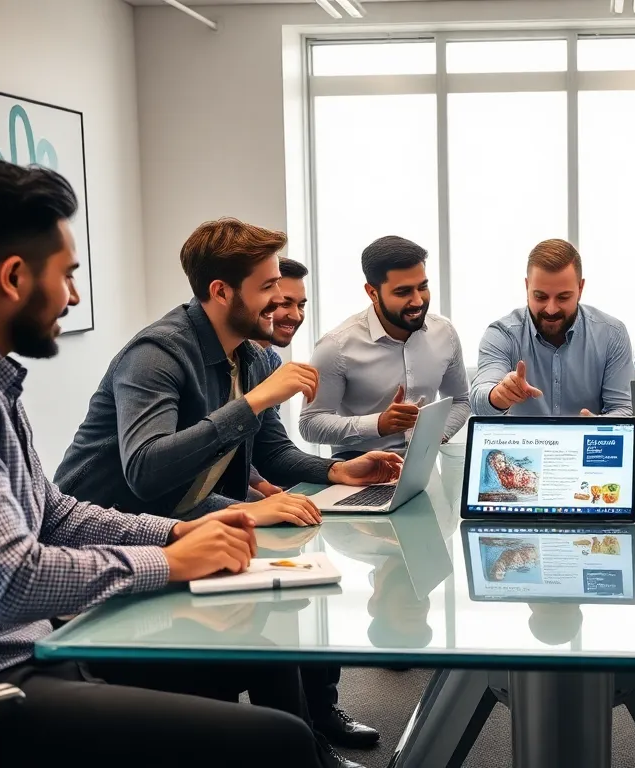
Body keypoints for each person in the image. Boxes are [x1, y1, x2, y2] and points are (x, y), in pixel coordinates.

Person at [0, 156, 329, 767]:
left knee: (263, 660)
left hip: (25, 653)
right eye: (67, 275)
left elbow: (52, 514)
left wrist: (175, 533)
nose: (74, 296)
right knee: (278, 742)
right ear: (13, 277)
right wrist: (167, 561)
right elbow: (12, 580)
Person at [54, 218, 397, 763]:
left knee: (284, 631)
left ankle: (310, 751)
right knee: (261, 646)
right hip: (115, 539)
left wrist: (339, 472)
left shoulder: (253, 357)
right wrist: (254, 402)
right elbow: (146, 472)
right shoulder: (157, 354)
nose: (279, 300)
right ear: (220, 291)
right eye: (268, 287)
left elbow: (271, 453)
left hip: (181, 524)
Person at [300, 236, 470, 458]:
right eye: (403, 292)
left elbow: (460, 400)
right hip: (357, 469)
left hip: (425, 465)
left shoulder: (444, 333)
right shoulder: (336, 346)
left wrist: (435, 435)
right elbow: (310, 423)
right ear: (372, 293)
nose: (418, 301)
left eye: (423, 287)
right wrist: (378, 424)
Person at [471, 239, 634, 417]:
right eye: (540, 297)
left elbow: (624, 408)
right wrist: (499, 395)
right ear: (527, 287)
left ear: (580, 289)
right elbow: (479, 400)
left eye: (563, 297)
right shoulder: (502, 334)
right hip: (522, 437)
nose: (551, 309)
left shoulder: (612, 334)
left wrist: (598, 426)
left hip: (589, 437)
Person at [248, 256, 309, 499]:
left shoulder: (272, 361)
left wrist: (337, 470)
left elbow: (270, 448)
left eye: (301, 305)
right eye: (285, 303)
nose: (296, 315)